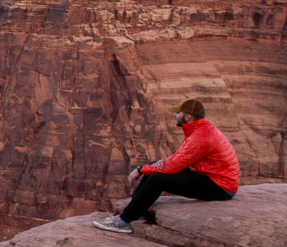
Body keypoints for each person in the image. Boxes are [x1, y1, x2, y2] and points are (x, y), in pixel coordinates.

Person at [94, 98, 239, 233]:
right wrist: (160, 163)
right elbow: (181, 156)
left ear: (188, 117)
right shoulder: (200, 129)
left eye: (178, 113)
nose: (175, 115)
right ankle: (136, 213)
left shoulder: (201, 136)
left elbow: (175, 167)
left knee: (157, 179)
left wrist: (141, 170)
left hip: (220, 187)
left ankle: (124, 221)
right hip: (209, 175)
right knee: (154, 168)